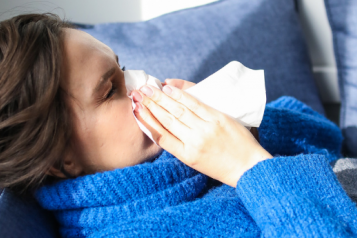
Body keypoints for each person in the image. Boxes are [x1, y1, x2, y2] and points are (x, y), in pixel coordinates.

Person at [1, 13, 357, 237]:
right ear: (60, 160)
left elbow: (329, 139)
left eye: (123, 68)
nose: (142, 81)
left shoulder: (183, 154)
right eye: (110, 90)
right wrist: (246, 167)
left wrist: (244, 123)